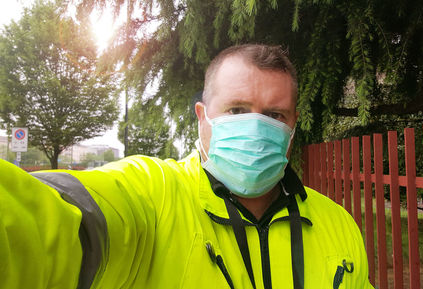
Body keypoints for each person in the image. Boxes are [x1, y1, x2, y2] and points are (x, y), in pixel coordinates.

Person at [0, 44, 373, 289]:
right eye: (237, 110)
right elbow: (53, 219)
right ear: (203, 117)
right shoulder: (152, 195)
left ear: (291, 126)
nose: (256, 127)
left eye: (274, 114)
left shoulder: (338, 225)